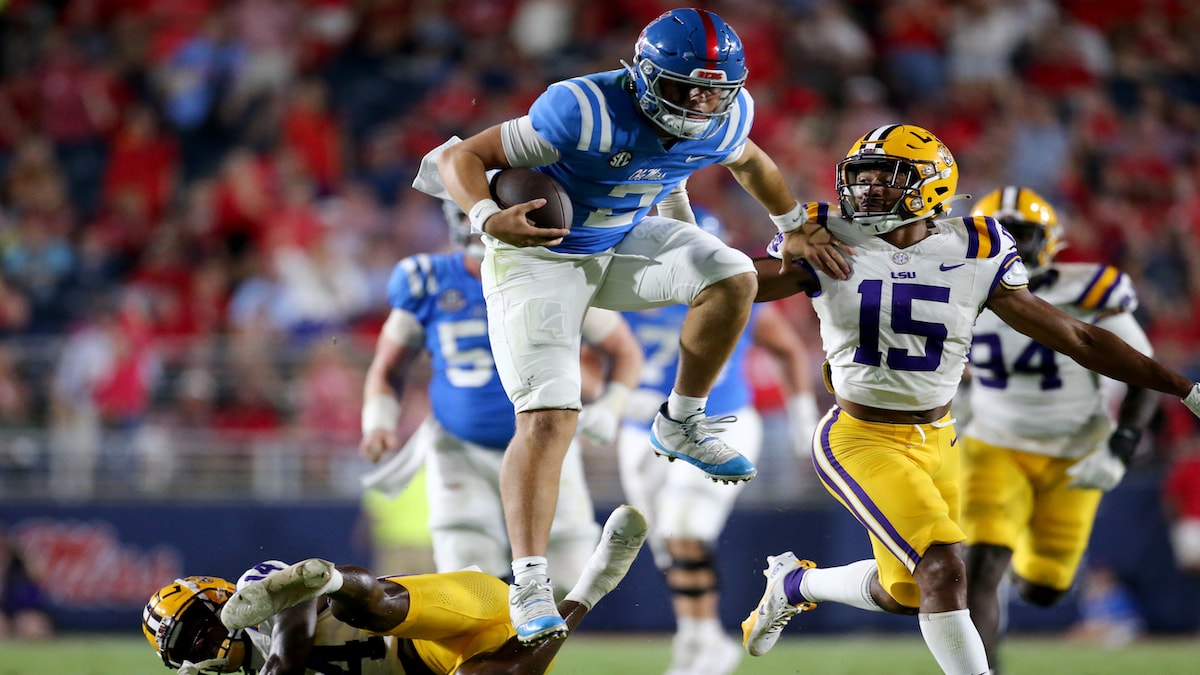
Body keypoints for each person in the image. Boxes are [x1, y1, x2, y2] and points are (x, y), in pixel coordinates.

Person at [739, 123, 1200, 675]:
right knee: (945, 569)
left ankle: (794, 583)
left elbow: (1076, 337)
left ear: (930, 186)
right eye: (860, 178)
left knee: (907, 592)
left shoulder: (977, 247)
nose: (867, 190)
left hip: (939, 438)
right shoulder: (827, 236)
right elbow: (742, 286)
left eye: (885, 178)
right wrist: (778, 250)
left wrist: (1183, 387)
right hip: (858, 435)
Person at [430, 7, 815, 642]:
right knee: (550, 415)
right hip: (539, 256)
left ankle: (681, 419)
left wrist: (795, 223)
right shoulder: (581, 108)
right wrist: (482, 215)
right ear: (642, 75)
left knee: (733, 277)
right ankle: (528, 579)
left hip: (621, 239)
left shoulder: (728, 115)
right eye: (687, 87)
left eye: (715, 92)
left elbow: (749, 163)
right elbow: (462, 155)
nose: (700, 104)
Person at [357, 200, 642, 595]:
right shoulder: (429, 280)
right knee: (468, 576)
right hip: (460, 447)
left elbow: (624, 350)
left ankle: (530, 653)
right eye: (469, 214)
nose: (480, 227)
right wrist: (378, 423)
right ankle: (487, 654)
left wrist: (611, 408)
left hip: (546, 441)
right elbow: (389, 367)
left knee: (567, 577)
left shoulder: (554, 274)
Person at [957, 186, 1161, 671]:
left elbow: (1144, 372)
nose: (1012, 243)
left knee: (1045, 589)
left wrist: (1121, 446)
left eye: (1022, 233)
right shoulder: (956, 288)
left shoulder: (1087, 289)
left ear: (1048, 239)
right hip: (993, 444)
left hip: (1074, 451)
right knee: (981, 565)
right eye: (999, 232)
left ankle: (1027, 543)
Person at [617, 207, 820, 675]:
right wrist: (614, 398)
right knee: (665, 543)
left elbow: (788, 348)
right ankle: (700, 638)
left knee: (685, 528)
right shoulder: (629, 293)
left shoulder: (733, 292)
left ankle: (702, 642)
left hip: (718, 426)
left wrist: (800, 417)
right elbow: (591, 353)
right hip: (640, 433)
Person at [141, 505, 648, 675]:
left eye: (202, 631)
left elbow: (295, 622)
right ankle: (593, 584)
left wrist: (278, 666)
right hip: (447, 664)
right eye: (192, 648)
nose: (207, 647)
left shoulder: (255, 594)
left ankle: (333, 576)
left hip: (439, 613)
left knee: (364, 607)